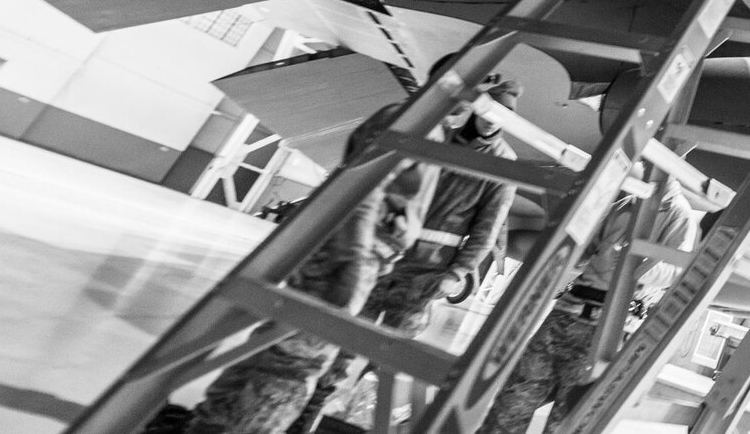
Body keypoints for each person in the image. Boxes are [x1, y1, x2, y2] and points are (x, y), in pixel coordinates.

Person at [185, 102, 443, 434]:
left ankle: (209, 426)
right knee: (297, 360)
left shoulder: (416, 119)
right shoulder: (421, 120)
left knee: (275, 347)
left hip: (355, 246)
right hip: (355, 248)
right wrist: (352, 256)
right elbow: (366, 185)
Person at [294, 74, 522, 432]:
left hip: (427, 275)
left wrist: (457, 273)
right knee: (342, 340)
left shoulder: (506, 164)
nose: (493, 118)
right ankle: (308, 414)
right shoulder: (438, 138)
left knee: (390, 358)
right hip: (383, 259)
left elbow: (487, 228)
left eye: (503, 113)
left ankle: (364, 419)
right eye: (491, 107)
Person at [479, 178, 700, 434]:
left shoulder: (678, 213)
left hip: (606, 327)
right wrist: (562, 245)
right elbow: (585, 254)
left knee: (567, 420)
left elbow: (673, 272)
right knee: (513, 402)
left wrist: (633, 262)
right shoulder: (625, 204)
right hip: (566, 316)